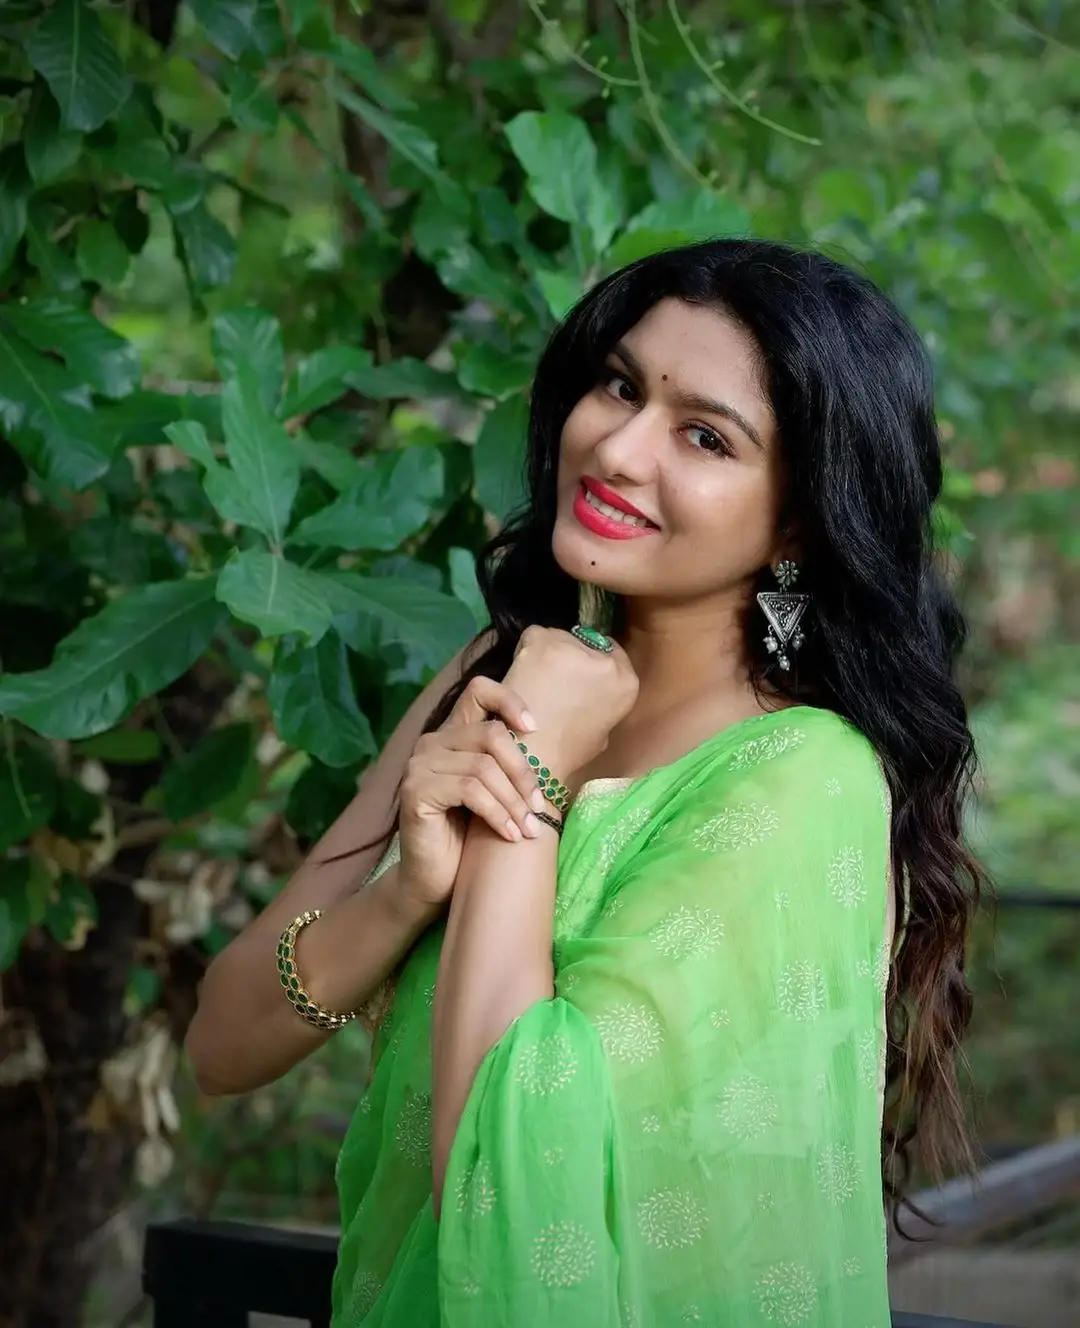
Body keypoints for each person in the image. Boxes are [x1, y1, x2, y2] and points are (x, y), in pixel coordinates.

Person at [186, 238, 985, 1326]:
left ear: (797, 519)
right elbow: (221, 1043)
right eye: (619, 385)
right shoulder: (495, 668)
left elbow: (515, 1203)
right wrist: (404, 892)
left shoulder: (803, 779)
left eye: (704, 435)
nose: (617, 446)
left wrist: (529, 778)